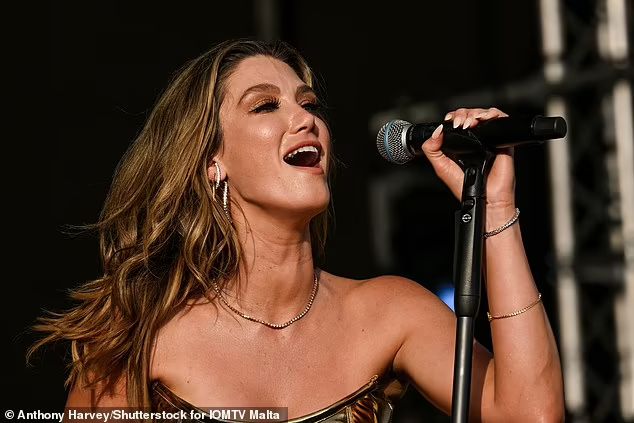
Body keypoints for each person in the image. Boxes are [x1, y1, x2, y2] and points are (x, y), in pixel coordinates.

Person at [30, 38, 564, 422]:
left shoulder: (391, 312)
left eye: (308, 104)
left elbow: (531, 414)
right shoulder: (141, 341)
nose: (305, 119)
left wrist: (495, 208)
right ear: (213, 161)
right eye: (266, 105)